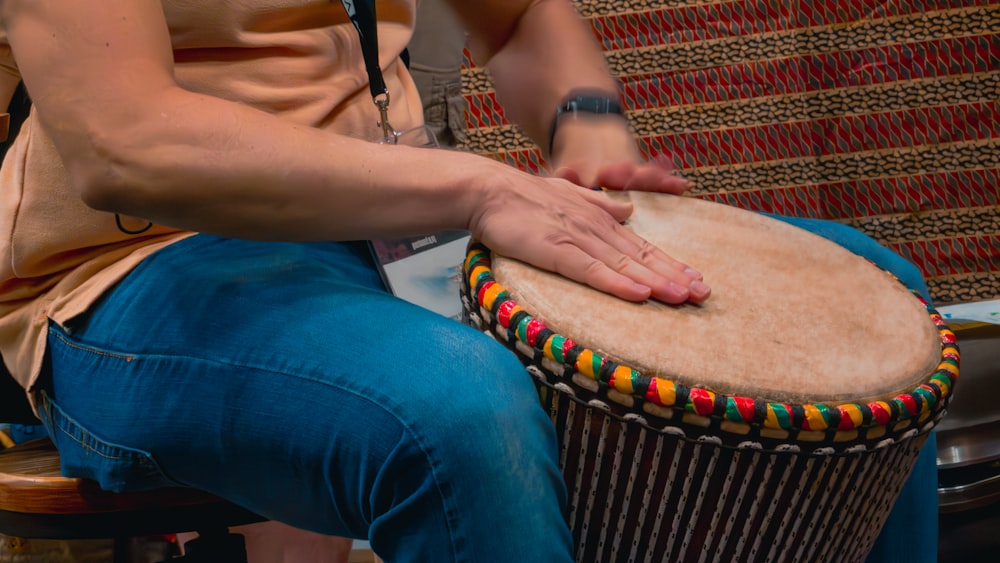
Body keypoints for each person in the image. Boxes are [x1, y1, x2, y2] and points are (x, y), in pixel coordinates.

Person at [0, 1, 932, 561]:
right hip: (135, 268)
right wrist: (481, 186)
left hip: (391, 227)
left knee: (871, 300)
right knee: (455, 407)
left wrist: (588, 134)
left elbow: (521, 18)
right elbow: (127, 142)